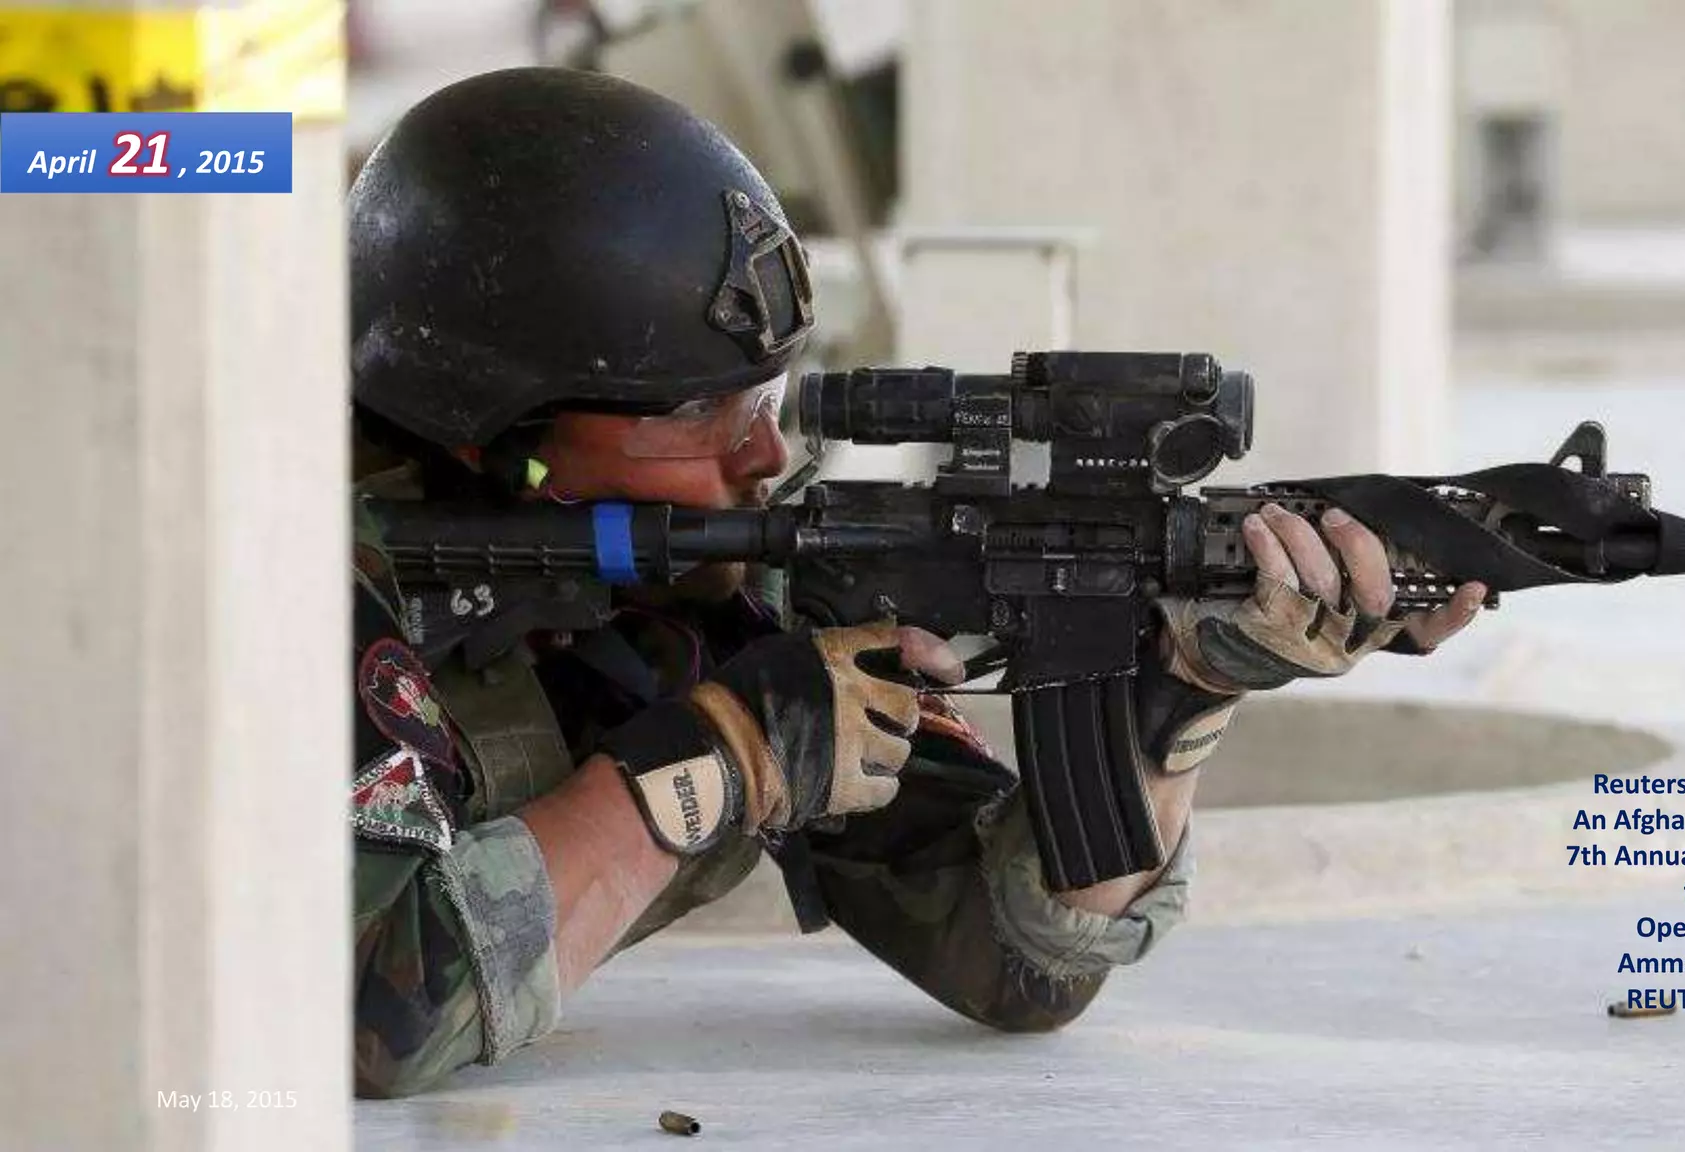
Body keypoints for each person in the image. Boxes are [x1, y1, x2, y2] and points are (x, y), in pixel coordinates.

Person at [347, 67, 1487, 1098]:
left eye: (771, 400)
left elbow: (1017, 962)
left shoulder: (706, 573)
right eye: (698, 411)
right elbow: (352, 1022)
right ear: (488, 425)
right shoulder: (282, 581)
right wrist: (722, 759)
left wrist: (1176, 701)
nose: (761, 456)